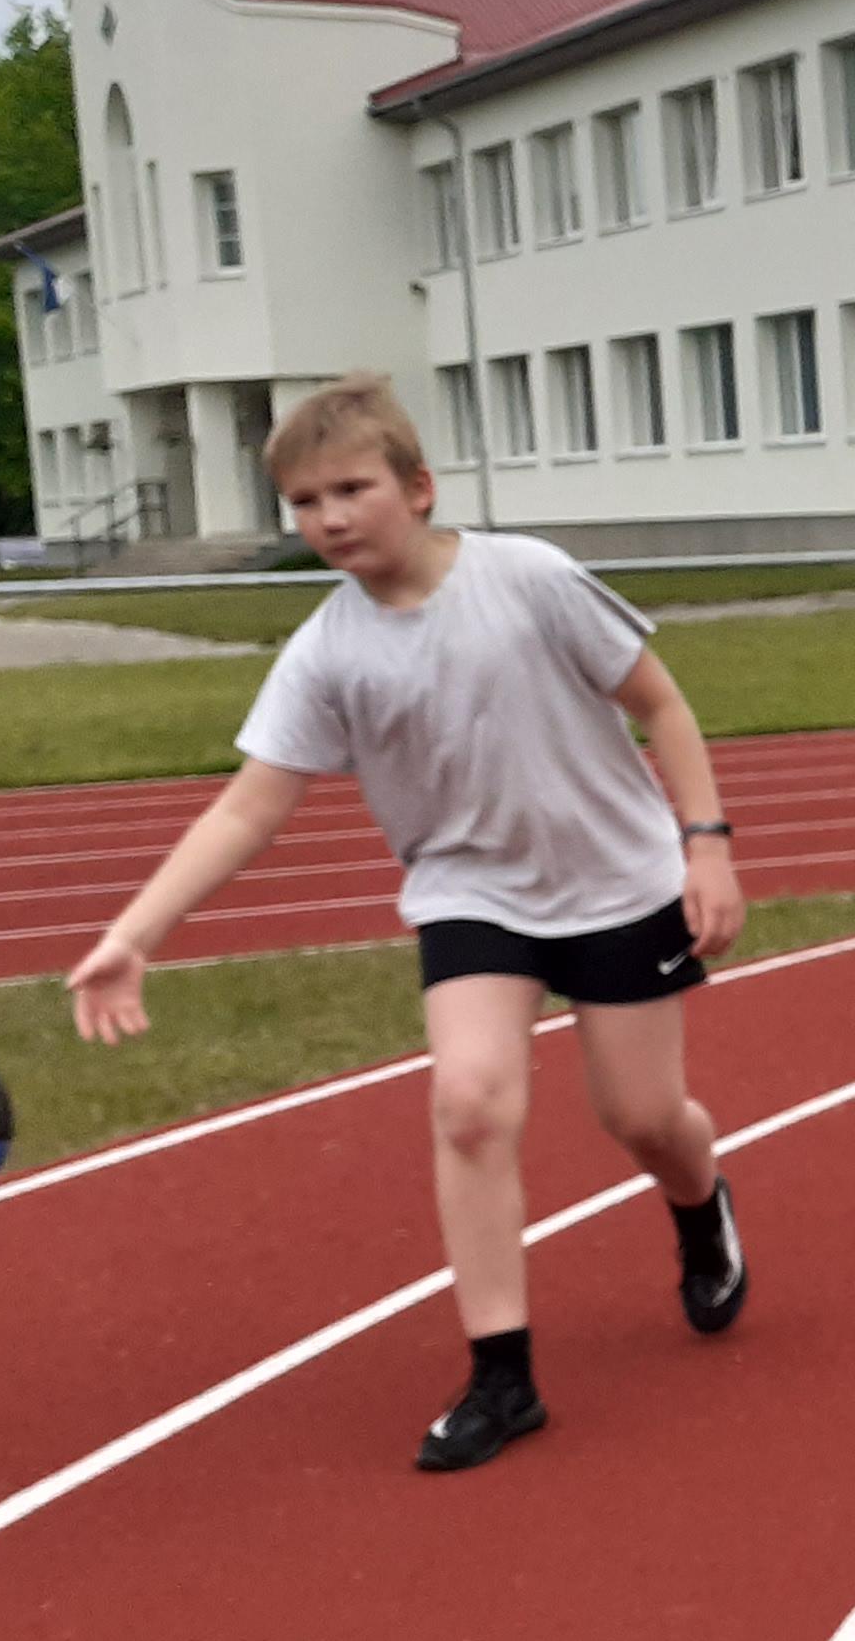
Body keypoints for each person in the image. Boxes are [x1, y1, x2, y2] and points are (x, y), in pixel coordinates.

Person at [66, 376, 749, 1472]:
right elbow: (249, 806)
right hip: (470, 893)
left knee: (643, 1117)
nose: (329, 517)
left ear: (418, 488)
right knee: (469, 1103)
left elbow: (660, 703)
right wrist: (135, 934)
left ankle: (699, 1199)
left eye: (351, 489)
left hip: (617, 882)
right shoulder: (326, 652)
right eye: (304, 502)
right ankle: (502, 1375)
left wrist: (705, 844)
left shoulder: (529, 579)